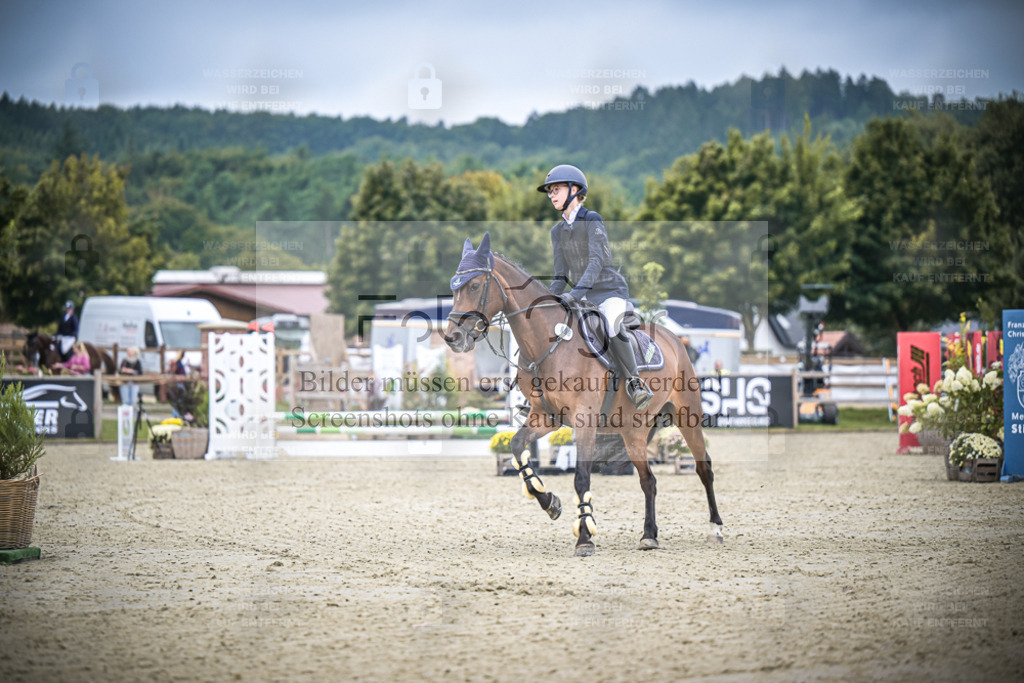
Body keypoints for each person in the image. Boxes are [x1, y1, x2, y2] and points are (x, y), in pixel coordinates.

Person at [538, 164, 654, 410]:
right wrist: (547, 301)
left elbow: (596, 262)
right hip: (582, 297)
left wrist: (575, 294)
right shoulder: (557, 231)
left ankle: (635, 383)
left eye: (556, 189)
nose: (551, 195)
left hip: (609, 292)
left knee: (611, 324)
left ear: (574, 190)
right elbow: (560, 275)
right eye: (550, 191)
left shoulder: (592, 219)